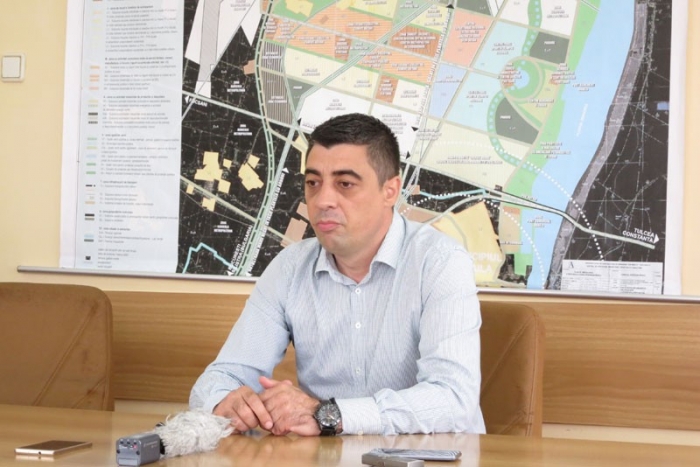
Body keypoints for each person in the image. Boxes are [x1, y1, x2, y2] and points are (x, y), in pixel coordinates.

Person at [190, 112, 485, 436]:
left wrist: (330, 414)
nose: (323, 200)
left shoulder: (439, 262)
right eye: (313, 183)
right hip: (328, 456)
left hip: (431, 455)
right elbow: (222, 377)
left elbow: (453, 400)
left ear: (390, 191)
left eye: (345, 184)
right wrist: (226, 402)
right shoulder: (289, 268)